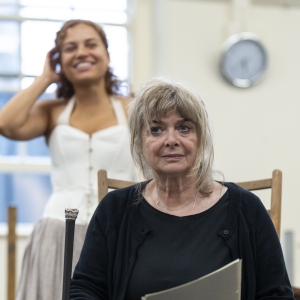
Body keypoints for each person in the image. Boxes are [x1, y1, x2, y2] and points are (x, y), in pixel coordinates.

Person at [70, 77, 295, 300]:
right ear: (139, 143)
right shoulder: (114, 209)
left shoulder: (247, 209)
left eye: (184, 128)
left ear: (201, 139)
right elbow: (85, 289)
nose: (171, 140)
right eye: (156, 129)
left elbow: (276, 294)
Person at [0, 19, 135, 300]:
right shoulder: (52, 111)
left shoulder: (133, 106)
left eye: (91, 44)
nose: (82, 52)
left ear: (107, 55)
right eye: (70, 48)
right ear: (60, 59)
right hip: (57, 231)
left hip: (121, 229)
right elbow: (7, 123)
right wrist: (45, 78)